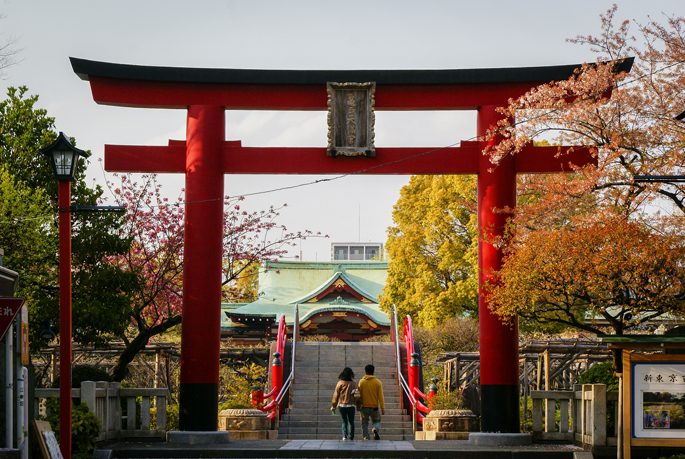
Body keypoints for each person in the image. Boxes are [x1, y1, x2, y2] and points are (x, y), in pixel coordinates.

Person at [358, 364, 385, 440]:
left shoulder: (361, 382)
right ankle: (375, 429)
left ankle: (366, 438)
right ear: (373, 371)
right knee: (376, 421)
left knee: (364, 424)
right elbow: (380, 396)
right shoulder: (377, 382)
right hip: (374, 407)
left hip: (364, 407)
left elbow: (358, 395)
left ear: (365, 371)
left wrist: (358, 405)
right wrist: (382, 408)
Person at [331, 367, 358, 441]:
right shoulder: (354, 383)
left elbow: (336, 395)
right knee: (351, 421)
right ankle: (351, 436)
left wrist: (333, 406)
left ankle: (344, 435)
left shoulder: (340, 383)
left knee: (344, 421)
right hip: (351, 405)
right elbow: (357, 395)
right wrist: (358, 405)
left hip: (342, 405)